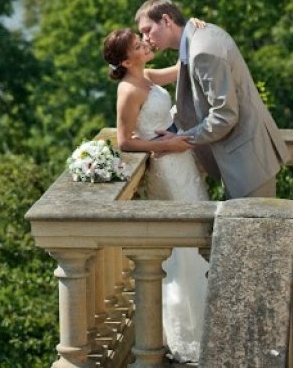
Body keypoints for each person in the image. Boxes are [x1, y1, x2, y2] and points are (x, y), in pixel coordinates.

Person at [102, 27, 209, 364]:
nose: (144, 44)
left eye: (141, 39)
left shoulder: (147, 75)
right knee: (184, 248)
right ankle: (191, 334)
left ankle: (208, 322)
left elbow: (183, 68)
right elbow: (124, 142)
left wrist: (192, 33)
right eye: (137, 44)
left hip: (183, 163)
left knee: (197, 242)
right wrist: (165, 145)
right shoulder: (128, 90)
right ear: (124, 60)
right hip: (166, 169)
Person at [135, 0, 290, 199]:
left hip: (248, 163)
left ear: (166, 20)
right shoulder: (197, 38)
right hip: (242, 156)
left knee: (252, 229)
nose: (145, 38)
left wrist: (182, 140)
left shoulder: (202, 51)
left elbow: (225, 115)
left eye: (147, 30)